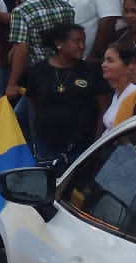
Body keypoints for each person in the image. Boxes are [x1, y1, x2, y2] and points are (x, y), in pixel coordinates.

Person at [4, 0, 75, 142]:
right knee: (22, 116)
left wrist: (12, 83)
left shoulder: (22, 11)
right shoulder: (65, 7)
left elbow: (22, 49)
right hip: (66, 71)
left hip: (38, 76)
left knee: (36, 124)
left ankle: (41, 161)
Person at [25, 23, 109, 166]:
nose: (82, 46)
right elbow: (33, 103)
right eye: (76, 41)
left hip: (82, 143)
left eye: (83, 41)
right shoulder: (39, 70)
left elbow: (104, 108)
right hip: (46, 142)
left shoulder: (91, 71)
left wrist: (97, 140)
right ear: (59, 44)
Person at [100, 42, 136, 130]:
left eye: (110, 61)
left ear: (128, 66)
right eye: (104, 60)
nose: (103, 65)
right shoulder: (117, 92)